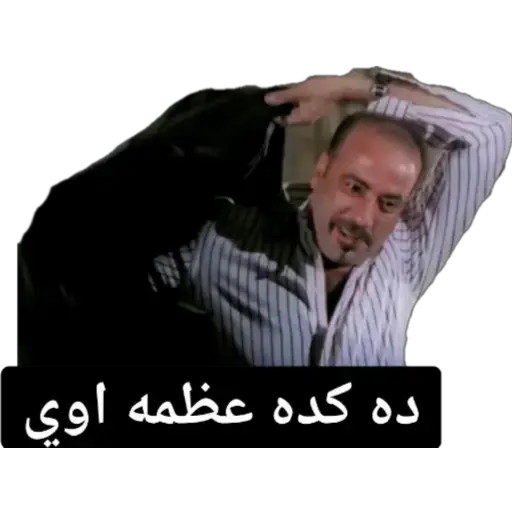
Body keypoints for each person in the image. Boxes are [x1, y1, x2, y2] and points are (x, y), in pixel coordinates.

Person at [150, 67, 511, 366]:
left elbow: (493, 131)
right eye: (354, 187)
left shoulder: (407, 254)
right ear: (321, 171)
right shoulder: (223, 242)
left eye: (388, 203)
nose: (363, 219)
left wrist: (353, 88)